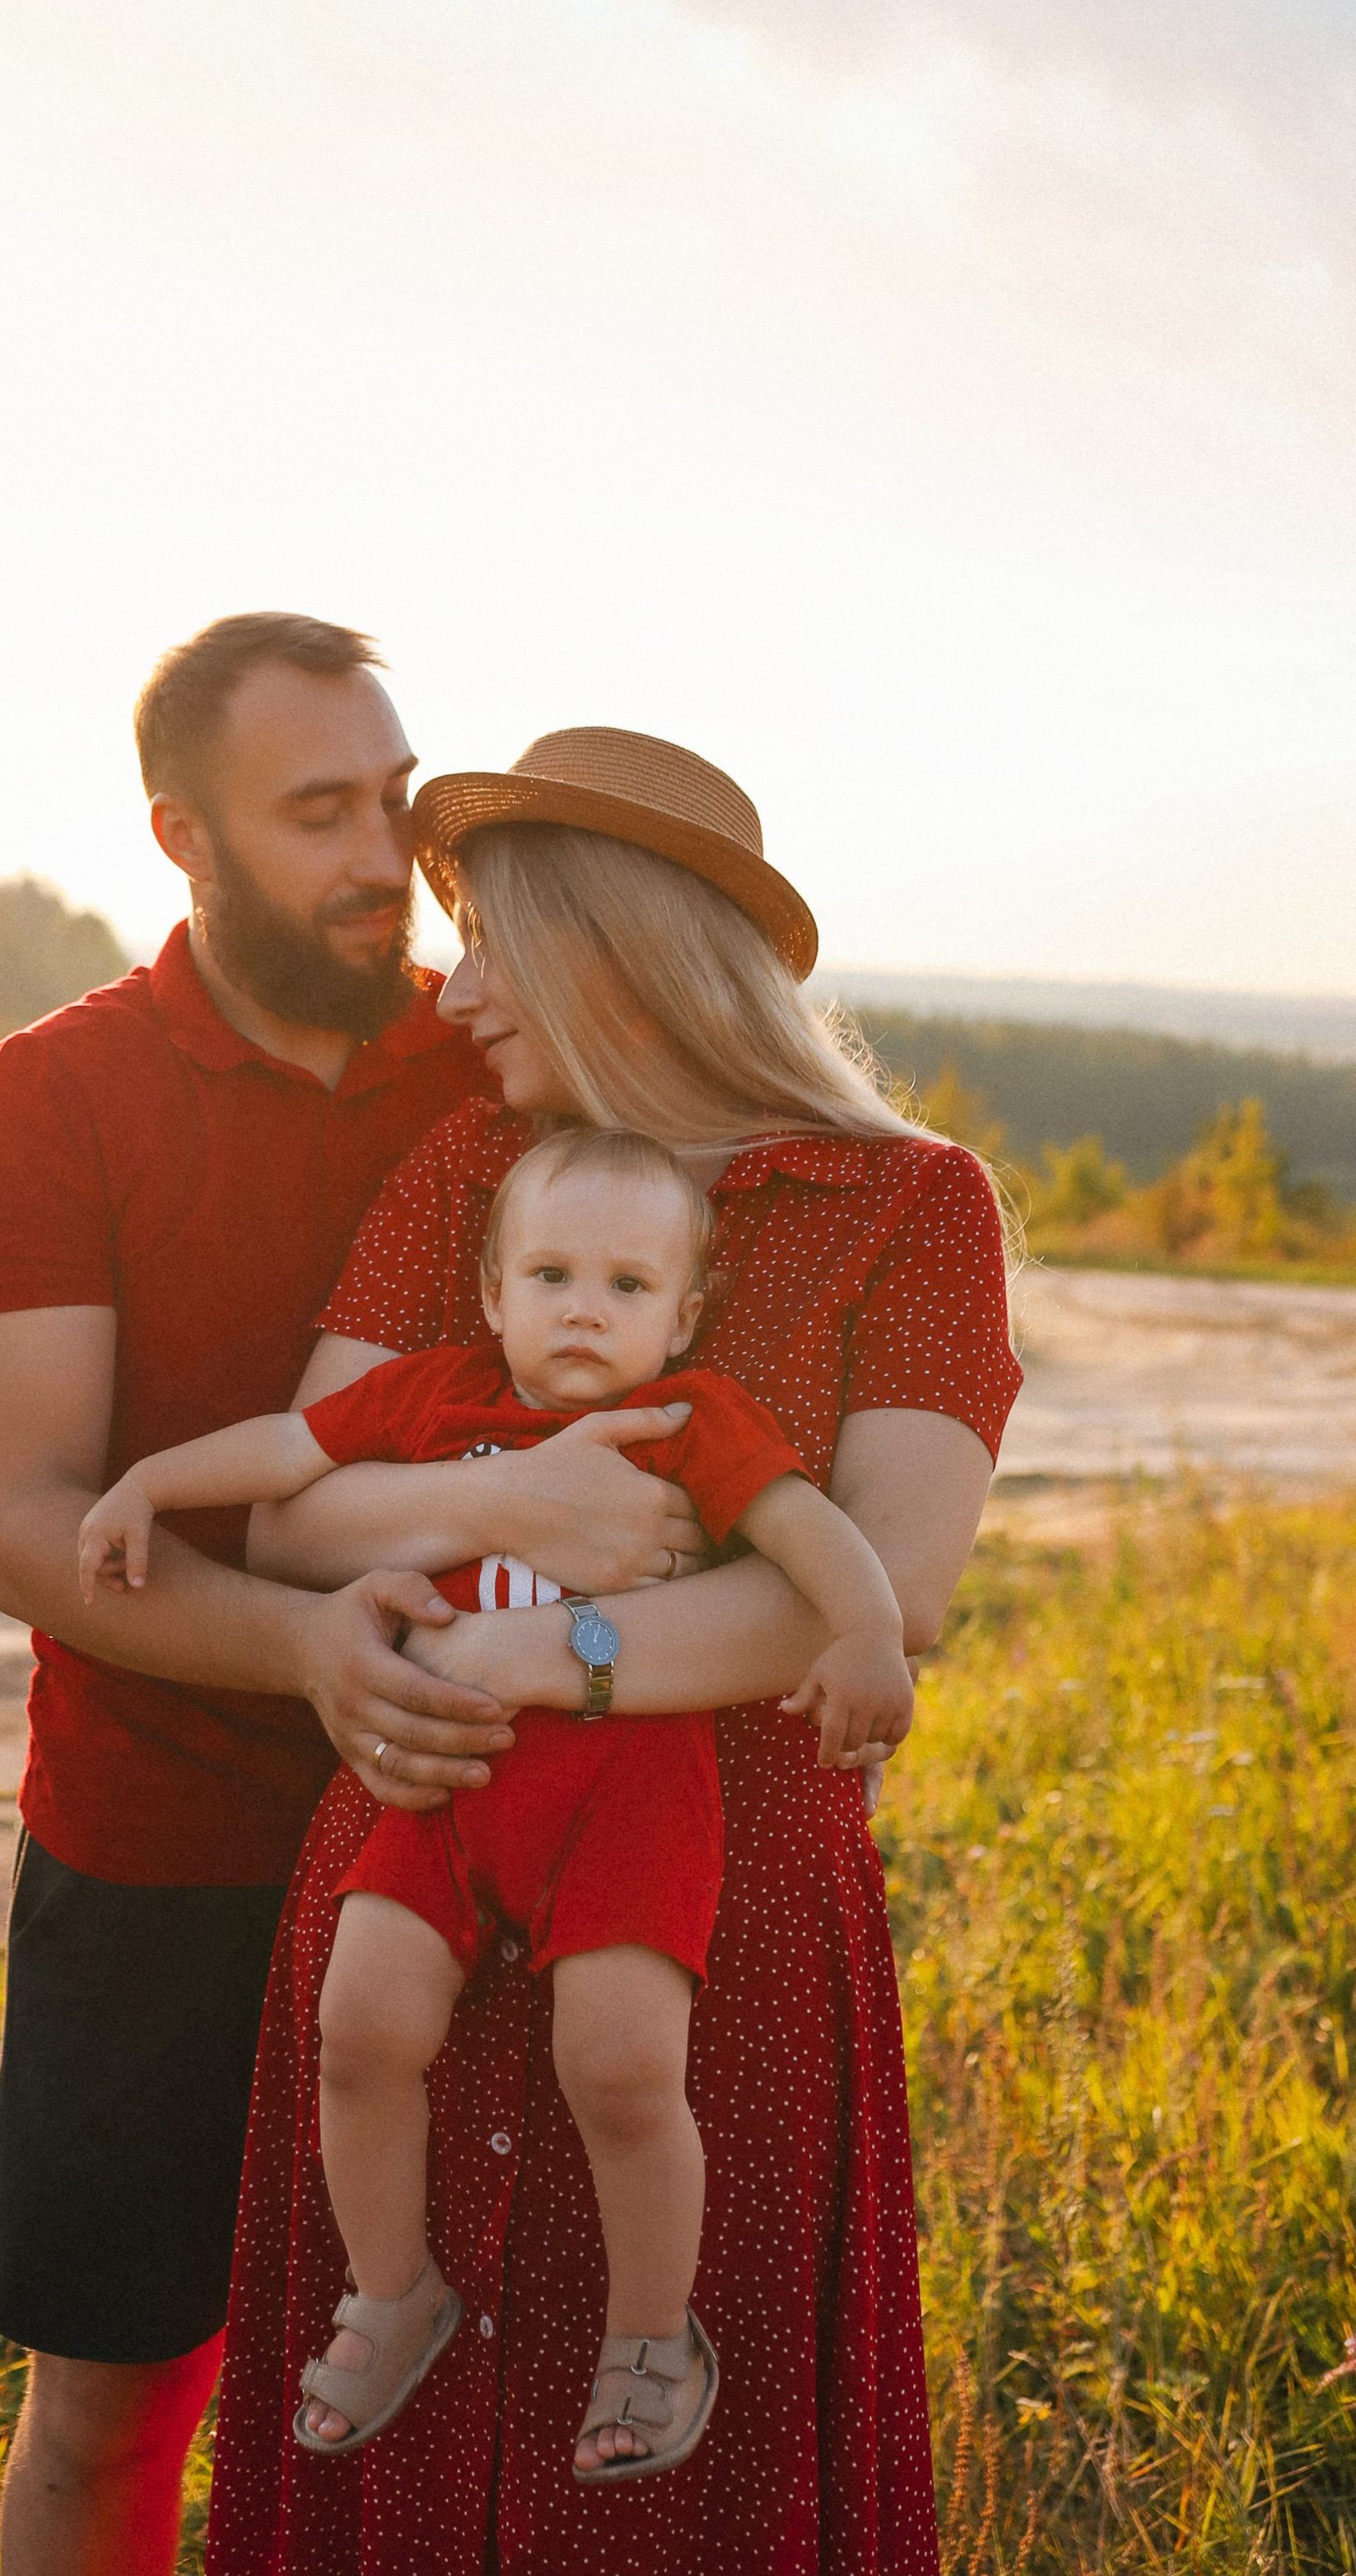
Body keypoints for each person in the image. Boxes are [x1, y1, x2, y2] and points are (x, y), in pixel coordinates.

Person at [0, 629, 714, 2576]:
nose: (388, 855)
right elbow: (30, 1520)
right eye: (318, 814)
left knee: (457, 2423)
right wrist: (299, 1645)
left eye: (392, 795)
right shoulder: (47, 1101)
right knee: (118, 2396)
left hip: (493, 1825)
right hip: (165, 1839)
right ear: (180, 833)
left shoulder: (497, 1067)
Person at [206, 726, 1023, 2576]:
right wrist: (519, 1509)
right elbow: (292, 1516)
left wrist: (544, 1652)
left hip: (709, 1926)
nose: (456, 983)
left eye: (487, 935)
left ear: (615, 945)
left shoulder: (909, 1210)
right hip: (417, 1871)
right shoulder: (465, 1177)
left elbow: (882, 1583)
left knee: (669, 2501)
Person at [79, 1118, 915, 2487]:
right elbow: (289, 1454)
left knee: (623, 2064)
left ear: (685, 1314)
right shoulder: (435, 1401)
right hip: (446, 1781)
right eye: (553, 1274)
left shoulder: (688, 1422)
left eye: (630, 1287)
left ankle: (653, 2338)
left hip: (627, 1797)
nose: (586, 1306)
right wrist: (148, 1482)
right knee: (359, 2028)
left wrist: (868, 1633)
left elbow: (815, 1534)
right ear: (493, 1291)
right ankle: (395, 2291)